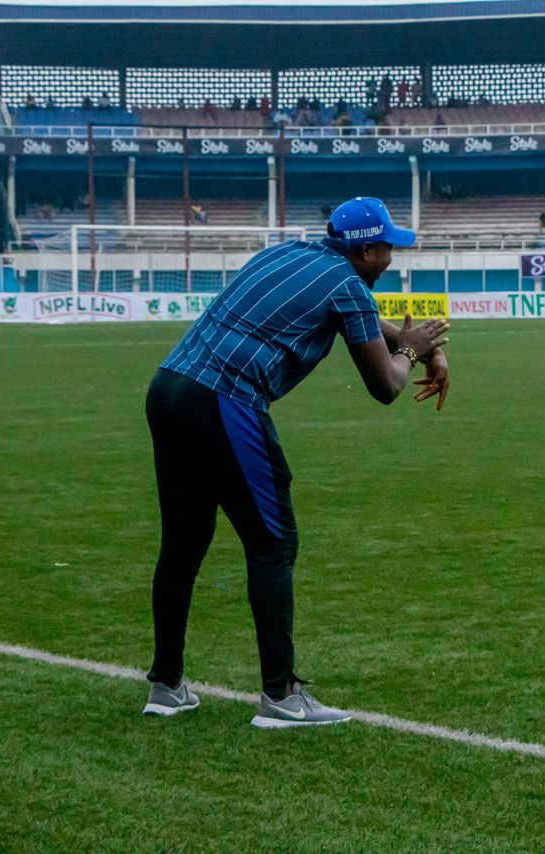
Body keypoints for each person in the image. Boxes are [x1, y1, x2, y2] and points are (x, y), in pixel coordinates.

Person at [142, 197, 451, 727]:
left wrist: (422, 345)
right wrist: (410, 352)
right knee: (273, 543)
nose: (392, 259)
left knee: (184, 545)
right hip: (225, 397)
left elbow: (366, 321)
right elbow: (386, 387)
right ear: (367, 249)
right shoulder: (348, 286)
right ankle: (281, 697)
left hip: (170, 387)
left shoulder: (289, 254)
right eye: (387, 250)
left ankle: (166, 686)